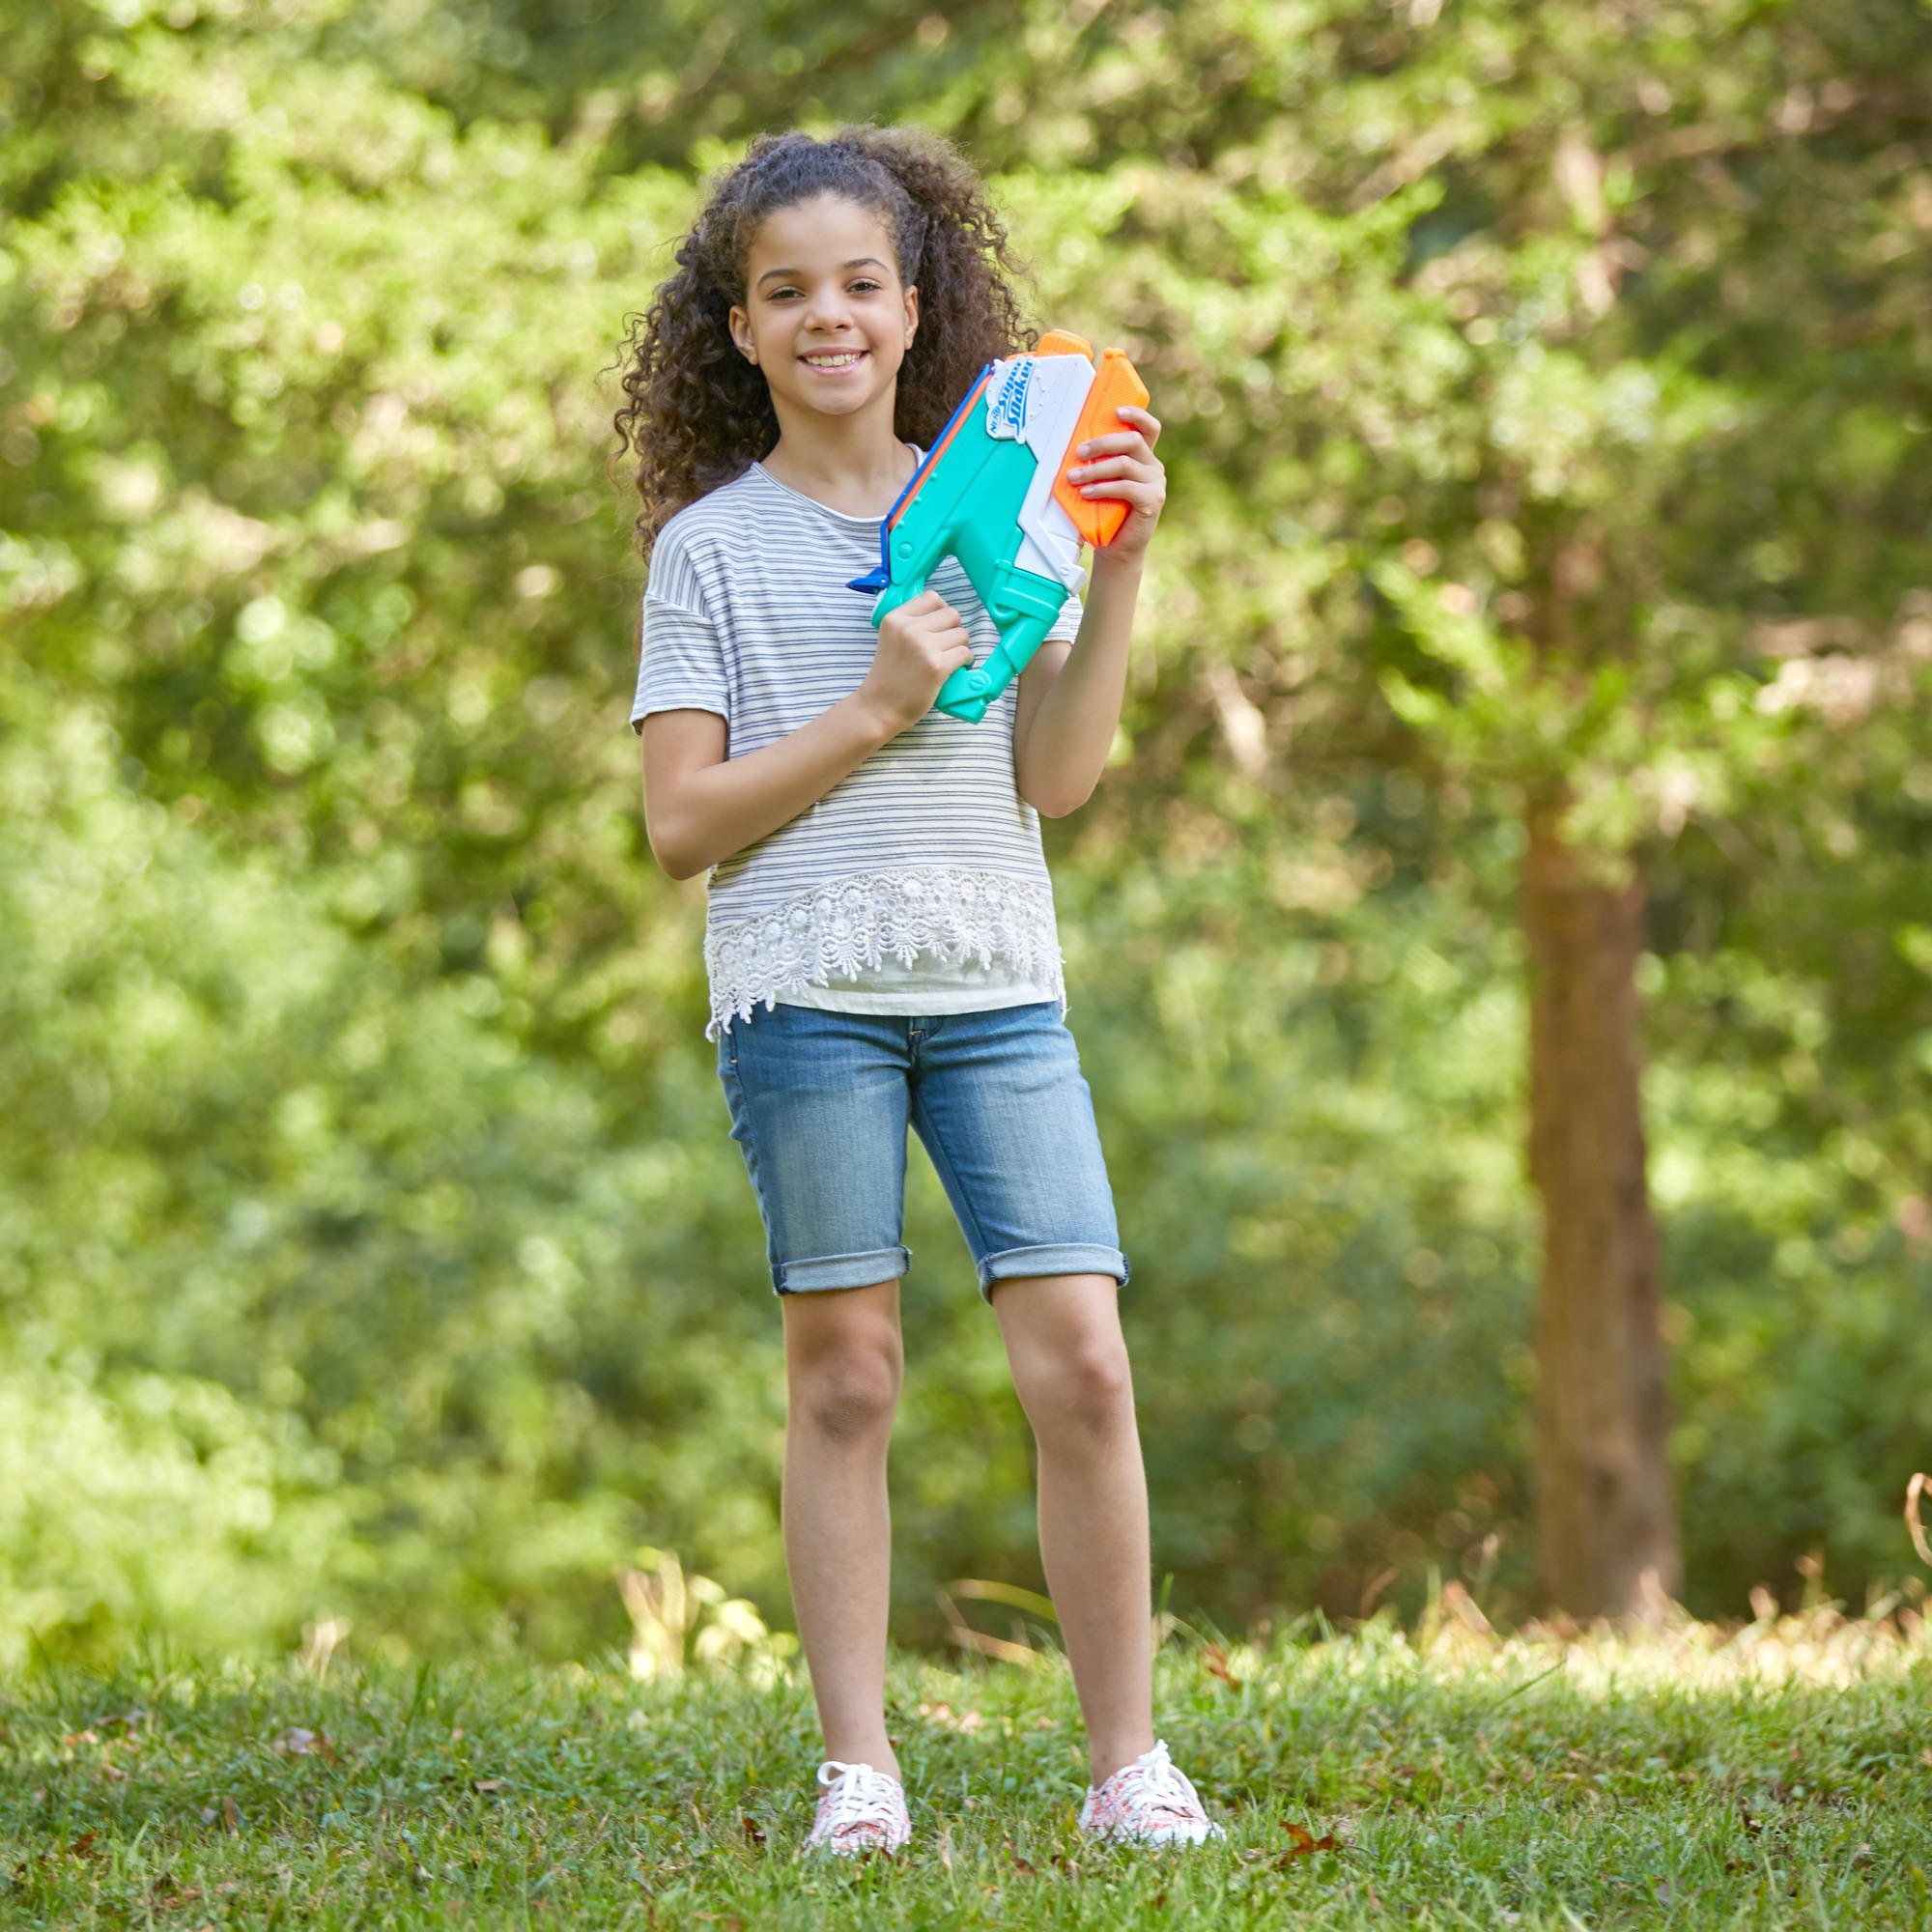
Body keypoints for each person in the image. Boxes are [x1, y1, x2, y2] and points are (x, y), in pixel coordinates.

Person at [612, 125, 1219, 1857]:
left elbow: (1058, 778)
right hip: (804, 996)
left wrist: (1120, 567)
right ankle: (860, 1771)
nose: (830, 316)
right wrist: (873, 709)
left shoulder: (1003, 501)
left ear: (916, 306)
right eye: (787, 291)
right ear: (738, 328)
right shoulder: (709, 551)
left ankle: (1129, 1770)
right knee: (849, 1376)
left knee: (1084, 1362)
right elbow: (680, 826)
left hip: (996, 988)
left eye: (862, 285)